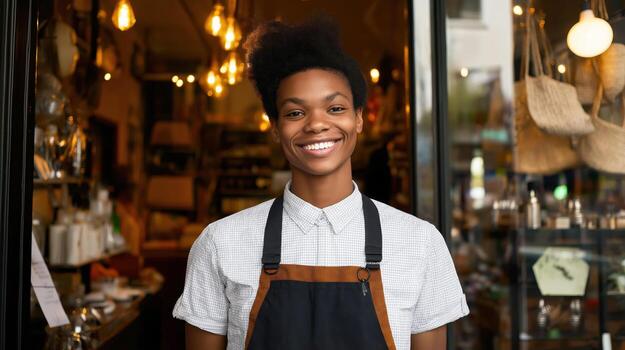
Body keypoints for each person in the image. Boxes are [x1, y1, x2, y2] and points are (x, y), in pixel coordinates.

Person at [173, 16, 468, 350]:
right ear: (275, 127)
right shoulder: (220, 244)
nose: (316, 124)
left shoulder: (419, 244)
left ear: (358, 118)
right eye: (295, 113)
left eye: (335, 107)